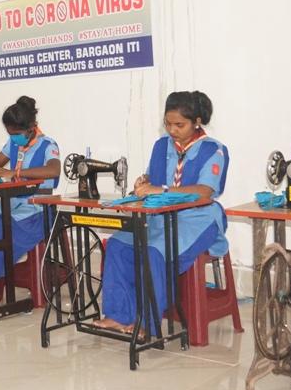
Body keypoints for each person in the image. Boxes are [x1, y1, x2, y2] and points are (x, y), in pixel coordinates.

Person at [95, 91, 230, 336]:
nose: (172, 130)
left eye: (179, 125)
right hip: (160, 215)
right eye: (168, 123)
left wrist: (161, 189)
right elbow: (153, 179)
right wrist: (144, 182)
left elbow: (204, 192)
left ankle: (150, 322)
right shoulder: (161, 146)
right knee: (117, 245)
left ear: (197, 121)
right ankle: (118, 315)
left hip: (197, 218)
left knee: (154, 250)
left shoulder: (214, 149)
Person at [0, 96, 60, 300]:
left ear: (31, 127)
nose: (13, 138)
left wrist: (15, 173)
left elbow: (53, 170)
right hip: (11, 205)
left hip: (36, 211)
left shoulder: (47, 145)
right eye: (10, 134)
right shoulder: (13, 143)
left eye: (16, 134)